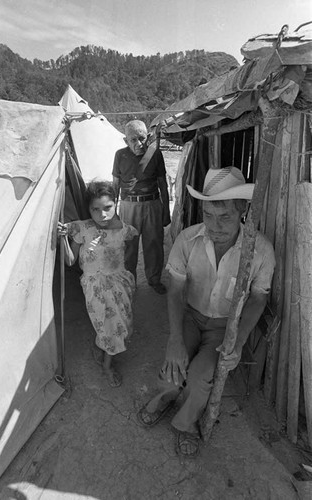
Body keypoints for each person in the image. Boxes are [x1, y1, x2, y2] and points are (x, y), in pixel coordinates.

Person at [137, 166, 276, 457]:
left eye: (224, 216)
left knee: (201, 377)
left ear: (242, 210)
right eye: (208, 216)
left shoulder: (260, 250)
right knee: (173, 367)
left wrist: (236, 343)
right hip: (191, 315)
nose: (215, 226)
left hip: (225, 327)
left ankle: (184, 423)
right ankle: (163, 399)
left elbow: (257, 299)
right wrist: (175, 339)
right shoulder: (188, 240)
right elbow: (175, 288)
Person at [58, 181, 138, 387]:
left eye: (107, 208)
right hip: (96, 288)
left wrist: (121, 271)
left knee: (123, 324)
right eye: (95, 209)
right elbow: (70, 260)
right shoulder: (83, 229)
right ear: (88, 209)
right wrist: (63, 240)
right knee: (109, 326)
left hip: (120, 284)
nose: (102, 214)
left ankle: (102, 348)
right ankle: (107, 366)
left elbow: (129, 247)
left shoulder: (123, 229)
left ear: (116, 204)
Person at [112, 120, 171, 294]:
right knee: (128, 245)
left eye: (142, 138)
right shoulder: (120, 156)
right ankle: (130, 282)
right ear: (125, 141)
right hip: (128, 206)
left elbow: (163, 184)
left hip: (152, 204)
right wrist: (112, 212)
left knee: (154, 243)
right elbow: (115, 185)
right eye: (133, 140)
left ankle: (154, 280)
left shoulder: (155, 154)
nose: (139, 143)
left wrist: (166, 211)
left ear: (148, 137)